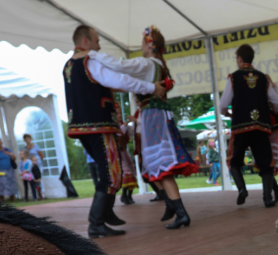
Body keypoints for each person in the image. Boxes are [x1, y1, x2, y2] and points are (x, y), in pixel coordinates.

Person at [73, 24, 191, 233]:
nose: (140, 46)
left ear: (149, 44)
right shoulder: (157, 65)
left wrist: (93, 54)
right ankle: (173, 207)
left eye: (143, 42)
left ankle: (179, 211)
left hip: (153, 115)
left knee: (161, 164)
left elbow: (121, 67)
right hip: (154, 114)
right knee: (157, 164)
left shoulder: (146, 64)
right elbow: (122, 80)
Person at [217, 44, 278, 207]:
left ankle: (242, 189)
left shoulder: (233, 77)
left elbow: (223, 104)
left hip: (240, 126)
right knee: (265, 162)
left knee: (235, 161)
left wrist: (228, 114)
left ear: (239, 59)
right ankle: (267, 198)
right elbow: (276, 100)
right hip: (261, 126)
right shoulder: (263, 78)